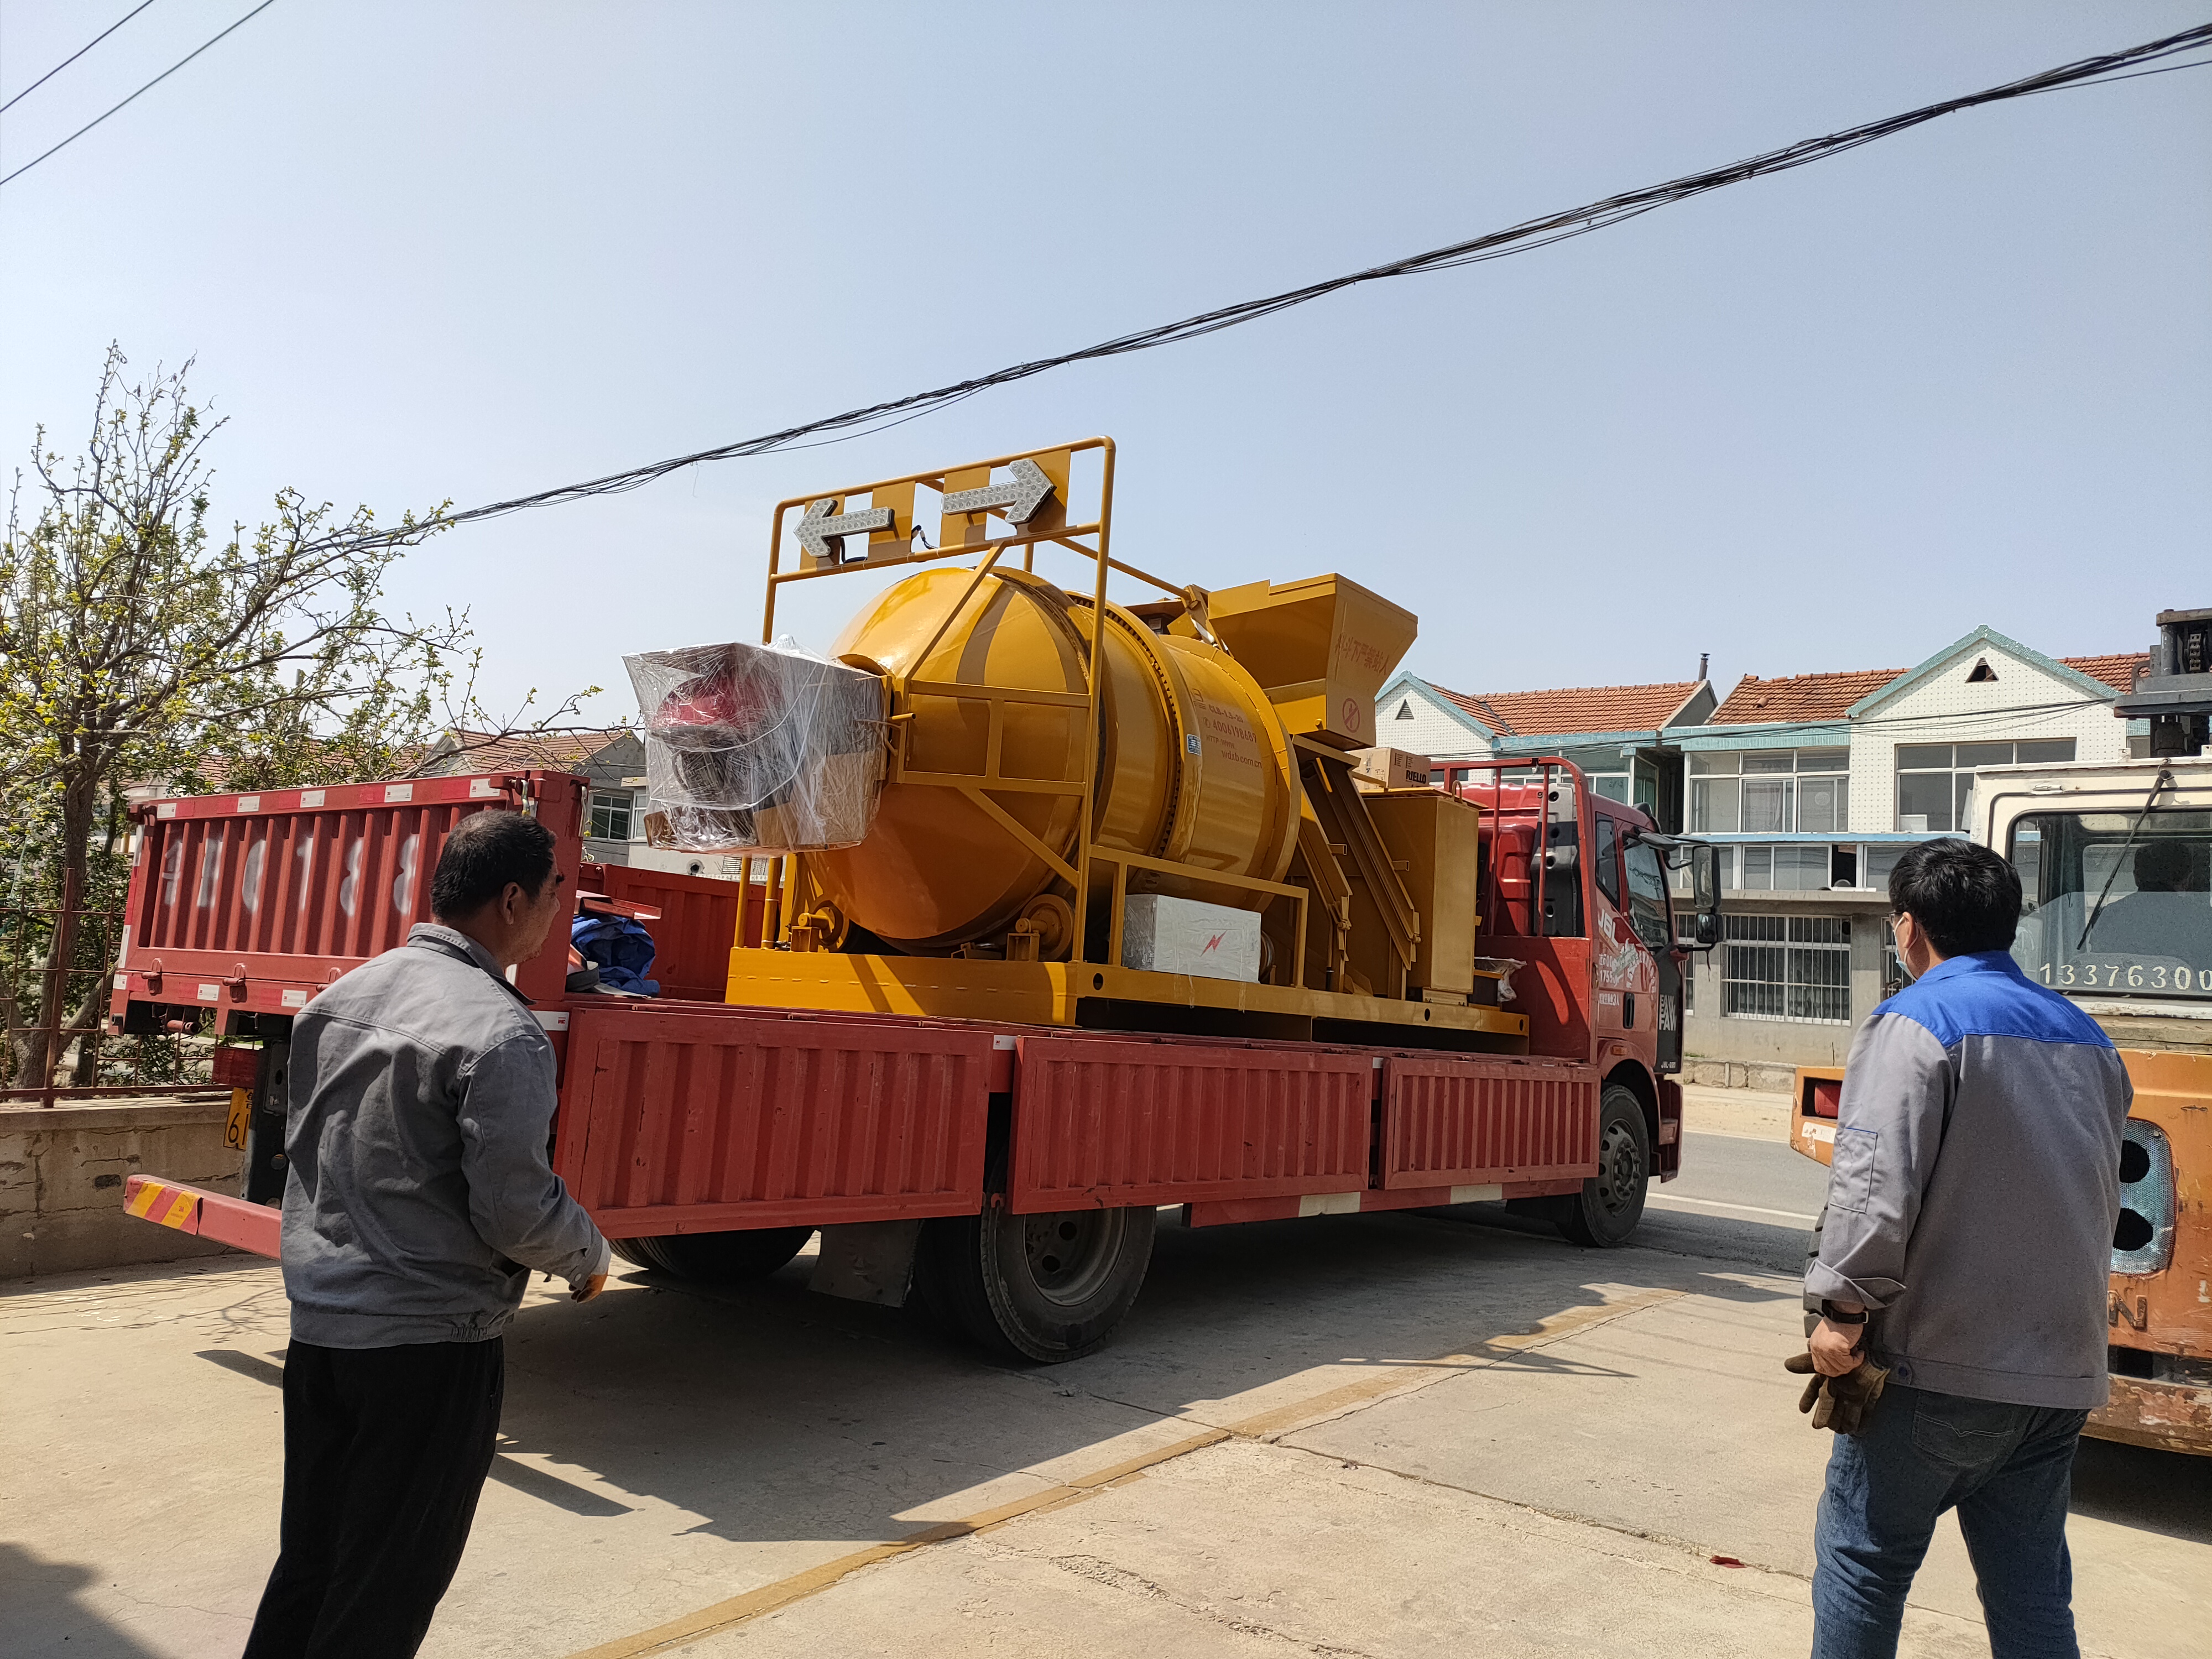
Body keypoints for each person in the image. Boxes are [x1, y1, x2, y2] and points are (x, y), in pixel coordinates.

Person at [243, 812, 612, 1659]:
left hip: (322, 1333)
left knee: (312, 1563)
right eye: (554, 894)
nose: (558, 912)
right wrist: (587, 1255)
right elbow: (515, 1210)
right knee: (384, 1591)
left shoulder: (338, 999)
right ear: (513, 900)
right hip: (428, 1346)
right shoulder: (501, 1033)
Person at [1801, 838, 2130, 1659]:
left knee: (1862, 1567)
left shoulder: (1916, 1023)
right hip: (2059, 1376)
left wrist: (1842, 1311)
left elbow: (1874, 1184)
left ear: (1908, 927)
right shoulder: (2089, 1038)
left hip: (1936, 1370)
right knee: (2031, 1593)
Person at [2081, 837, 2212, 971]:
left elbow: (2099, 965)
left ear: (2136, 877)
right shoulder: (2203, 918)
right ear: (2188, 880)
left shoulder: (2110, 914)